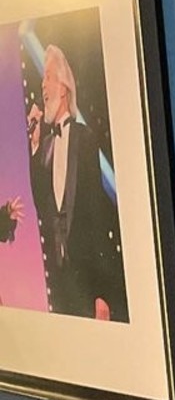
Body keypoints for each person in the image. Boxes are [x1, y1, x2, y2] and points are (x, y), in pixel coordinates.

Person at [27, 44, 128, 321]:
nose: (42, 85)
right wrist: (34, 145)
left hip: (87, 282)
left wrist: (103, 293)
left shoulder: (85, 138)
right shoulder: (46, 147)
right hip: (60, 284)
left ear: (64, 88)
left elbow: (97, 216)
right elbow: (40, 202)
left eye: (48, 77)